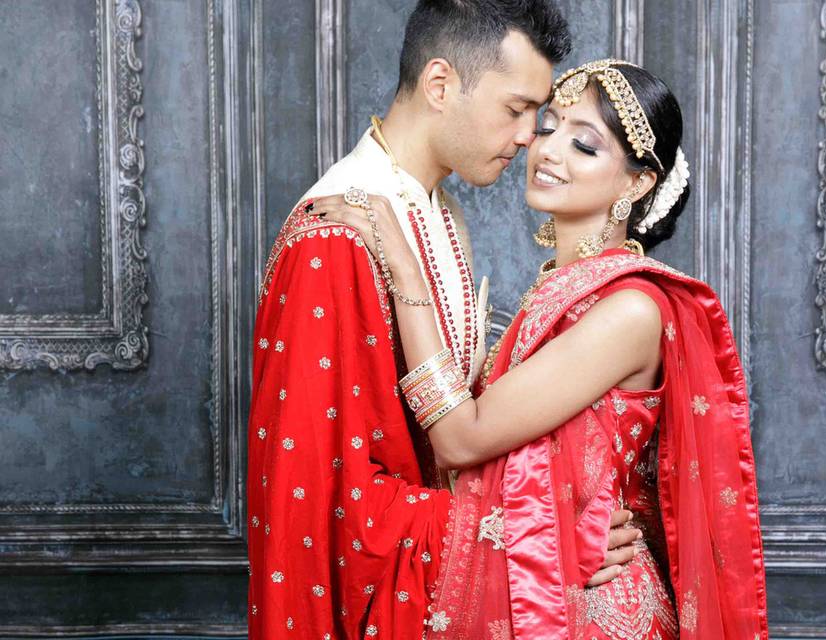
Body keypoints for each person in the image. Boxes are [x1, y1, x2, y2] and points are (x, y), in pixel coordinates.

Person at [318, 59, 769, 639]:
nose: (549, 150)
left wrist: (405, 270)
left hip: (596, 611)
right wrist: (563, 529)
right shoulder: (553, 290)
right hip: (553, 579)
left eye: (584, 145)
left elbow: (462, 439)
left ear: (636, 183)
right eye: (550, 126)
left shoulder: (629, 309)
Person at [246, 4, 638, 639]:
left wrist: (572, 511)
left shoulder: (438, 212)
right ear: (439, 85)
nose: (527, 138)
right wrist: (540, 537)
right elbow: (322, 507)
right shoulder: (335, 239)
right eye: (515, 110)